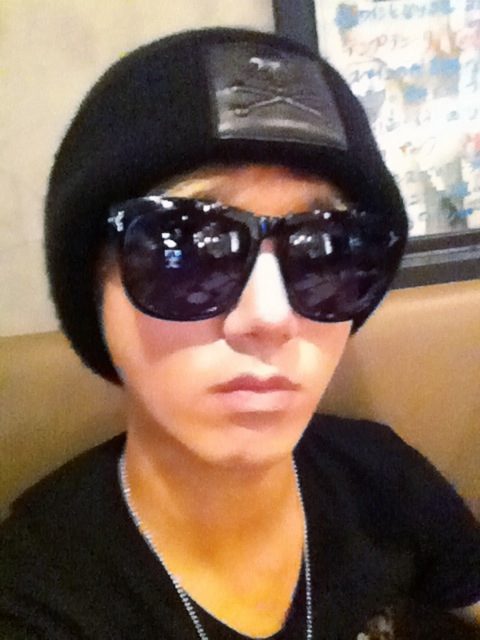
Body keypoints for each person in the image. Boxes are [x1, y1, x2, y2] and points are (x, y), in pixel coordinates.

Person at [0, 28, 479, 640]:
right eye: (187, 251)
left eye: (327, 250)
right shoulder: (38, 593)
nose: (270, 317)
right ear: (93, 293)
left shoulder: (382, 478)